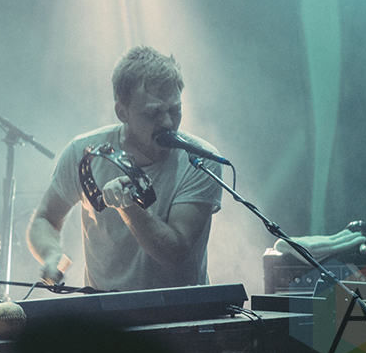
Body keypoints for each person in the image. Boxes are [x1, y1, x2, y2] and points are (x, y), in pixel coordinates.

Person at [26, 45, 223, 292]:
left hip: (182, 311)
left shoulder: (200, 160)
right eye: (153, 113)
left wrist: (129, 207)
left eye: (175, 110)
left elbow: (174, 255)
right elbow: (45, 218)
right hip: (105, 312)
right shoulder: (81, 151)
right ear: (122, 112)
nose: (167, 123)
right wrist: (51, 254)